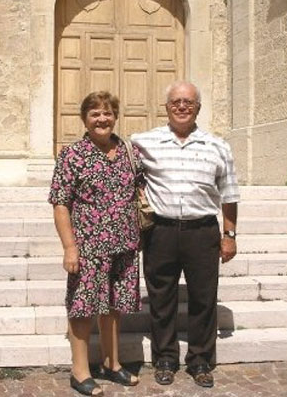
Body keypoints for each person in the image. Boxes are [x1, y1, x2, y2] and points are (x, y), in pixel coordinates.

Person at [131, 82, 240, 389]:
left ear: (198, 108)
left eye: (188, 102)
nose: (182, 106)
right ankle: (165, 358)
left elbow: (229, 194)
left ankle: (201, 360)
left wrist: (229, 234)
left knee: (204, 298)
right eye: (176, 102)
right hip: (160, 231)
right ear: (166, 107)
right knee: (161, 298)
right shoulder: (143, 142)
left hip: (202, 231)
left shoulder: (218, 146)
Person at [50, 90, 143, 397]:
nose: (102, 119)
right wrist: (69, 247)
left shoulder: (130, 152)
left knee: (114, 307)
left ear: (115, 116)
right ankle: (80, 371)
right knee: (82, 307)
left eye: (107, 113)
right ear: (85, 119)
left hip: (124, 244)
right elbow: (60, 203)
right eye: (95, 114)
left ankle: (111, 363)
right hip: (88, 246)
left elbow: (140, 191)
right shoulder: (72, 155)